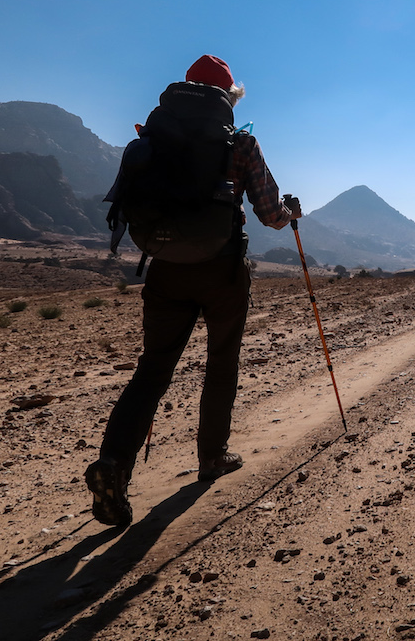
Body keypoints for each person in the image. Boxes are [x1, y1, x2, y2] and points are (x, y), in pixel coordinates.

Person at [86, 54, 302, 527]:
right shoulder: (240, 142)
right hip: (222, 271)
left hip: (164, 269)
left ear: (183, 89)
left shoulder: (151, 138)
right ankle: (211, 457)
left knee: (152, 371)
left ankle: (114, 465)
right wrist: (290, 213)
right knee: (221, 363)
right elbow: (269, 212)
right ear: (229, 96)